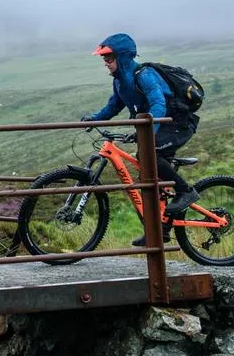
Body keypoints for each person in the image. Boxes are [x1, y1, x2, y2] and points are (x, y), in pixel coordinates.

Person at [80, 33, 200, 246]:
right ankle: (158, 230)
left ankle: (186, 191)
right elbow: (113, 107)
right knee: (147, 175)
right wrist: (94, 119)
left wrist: (147, 134)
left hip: (177, 124)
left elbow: (158, 105)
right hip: (157, 125)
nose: (105, 63)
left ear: (123, 57)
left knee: (149, 153)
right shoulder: (120, 82)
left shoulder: (144, 75)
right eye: (104, 59)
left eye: (109, 58)